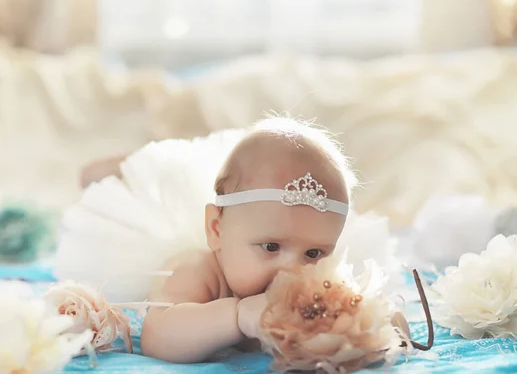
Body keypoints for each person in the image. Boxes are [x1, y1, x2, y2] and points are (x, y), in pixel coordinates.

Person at [139, 117, 357, 363]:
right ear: (216, 230)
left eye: (314, 253)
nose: (293, 271)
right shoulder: (196, 271)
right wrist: (237, 317)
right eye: (271, 247)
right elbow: (156, 338)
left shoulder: (315, 290)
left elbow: (360, 318)